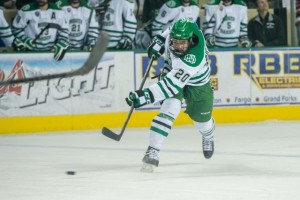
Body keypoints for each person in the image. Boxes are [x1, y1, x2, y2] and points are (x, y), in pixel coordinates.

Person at [126, 18, 215, 172]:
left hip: (198, 83)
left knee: (202, 121)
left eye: (183, 43)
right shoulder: (180, 28)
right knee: (169, 109)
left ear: (191, 40)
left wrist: (145, 96)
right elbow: (169, 30)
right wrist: (160, 40)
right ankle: (153, 151)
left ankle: (208, 136)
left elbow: (169, 86)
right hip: (172, 71)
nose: (178, 46)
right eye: (175, 42)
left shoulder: (194, 56)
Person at [135, 0, 200, 49]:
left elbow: (190, 28)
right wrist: (158, 43)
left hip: (173, 42)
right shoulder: (172, 6)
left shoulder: (195, 8)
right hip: (147, 36)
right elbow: (156, 25)